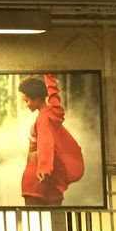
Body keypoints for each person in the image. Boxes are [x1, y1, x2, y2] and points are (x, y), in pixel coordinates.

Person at [18, 73, 84, 207]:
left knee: (34, 223)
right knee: (56, 222)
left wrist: (44, 168)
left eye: (27, 101)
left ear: (37, 98)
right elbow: (55, 97)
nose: (26, 104)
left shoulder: (42, 119)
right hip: (53, 180)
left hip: (37, 177)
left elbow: (45, 143)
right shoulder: (53, 111)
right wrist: (50, 78)